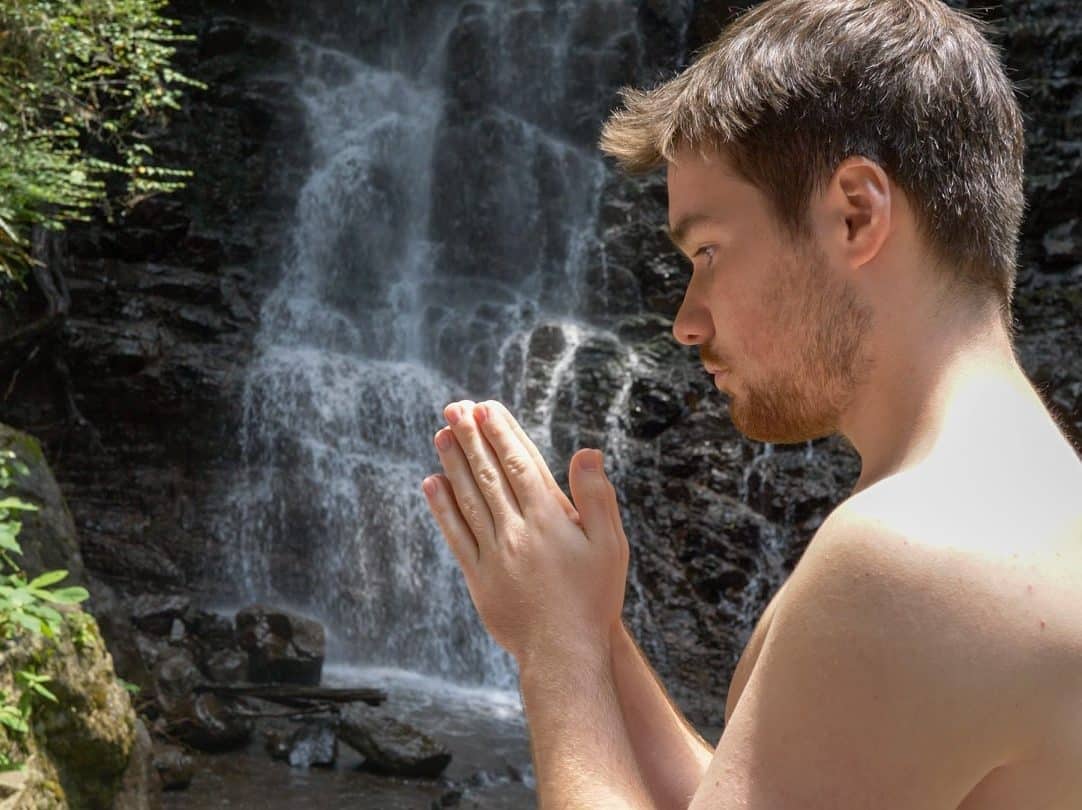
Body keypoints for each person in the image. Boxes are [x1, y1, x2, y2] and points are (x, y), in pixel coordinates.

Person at [420, 0, 1082, 807]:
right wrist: (592, 628)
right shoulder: (1023, 500)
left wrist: (552, 647)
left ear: (855, 214)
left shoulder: (913, 563)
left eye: (707, 252)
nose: (686, 323)